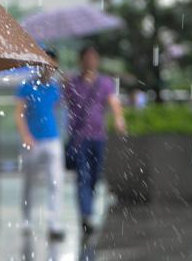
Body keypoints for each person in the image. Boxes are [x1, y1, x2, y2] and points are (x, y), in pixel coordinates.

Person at [64, 46, 127, 236]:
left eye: (94, 58)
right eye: (88, 58)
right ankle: (86, 215)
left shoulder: (104, 83)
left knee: (95, 177)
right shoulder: (72, 82)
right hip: (79, 139)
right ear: (81, 60)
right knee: (83, 176)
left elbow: (113, 102)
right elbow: (58, 101)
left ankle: (87, 210)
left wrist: (119, 118)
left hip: (99, 137)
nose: (91, 61)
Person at [14, 48, 65, 242]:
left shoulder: (55, 88)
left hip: (52, 139)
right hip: (32, 140)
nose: (48, 68)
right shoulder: (27, 87)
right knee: (29, 181)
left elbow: (59, 110)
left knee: (55, 182)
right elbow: (18, 113)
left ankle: (54, 222)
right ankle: (27, 218)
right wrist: (25, 135)